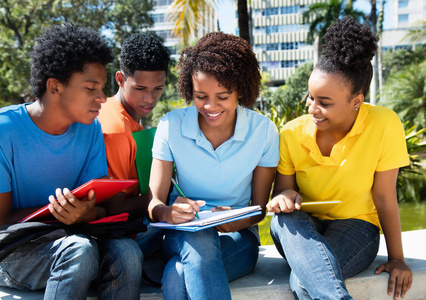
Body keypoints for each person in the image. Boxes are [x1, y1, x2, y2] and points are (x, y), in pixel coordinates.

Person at [267, 16, 413, 300]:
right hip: (303, 227)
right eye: (311, 97)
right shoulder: (291, 133)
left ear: (356, 101)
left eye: (325, 102)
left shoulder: (384, 124)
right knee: (282, 221)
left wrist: (397, 258)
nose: (312, 108)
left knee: (302, 281)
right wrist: (284, 196)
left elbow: (384, 197)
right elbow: (283, 189)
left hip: (357, 226)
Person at [0, 24, 142, 299]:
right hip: (12, 251)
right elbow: (1, 221)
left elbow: (100, 209)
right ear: (54, 86)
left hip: (72, 240)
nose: (102, 98)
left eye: (102, 88)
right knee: (79, 250)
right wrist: (57, 212)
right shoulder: (5, 130)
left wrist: (87, 213)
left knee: (127, 252)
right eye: (91, 88)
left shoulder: (90, 130)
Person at [147, 31, 279, 299]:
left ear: (240, 89)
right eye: (200, 96)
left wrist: (236, 219)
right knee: (200, 239)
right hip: (182, 235)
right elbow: (153, 203)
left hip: (239, 239)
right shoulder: (171, 126)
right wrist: (167, 212)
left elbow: (259, 209)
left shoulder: (263, 131)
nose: (210, 106)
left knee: (177, 275)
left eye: (222, 95)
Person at [97, 33, 169, 256]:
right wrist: (164, 196)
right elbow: (114, 209)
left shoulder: (130, 117)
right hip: (119, 238)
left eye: (158, 88)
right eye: (140, 89)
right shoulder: (116, 129)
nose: (150, 99)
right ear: (120, 79)